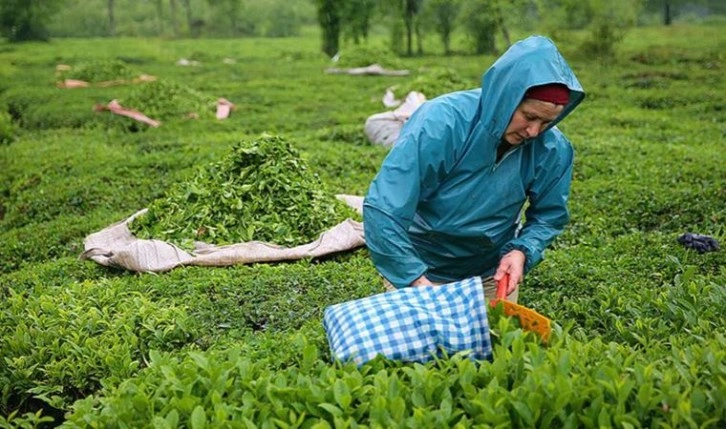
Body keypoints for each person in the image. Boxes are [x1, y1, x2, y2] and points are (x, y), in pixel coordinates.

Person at [362, 35, 585, 302]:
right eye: (529, 117)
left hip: (489, 273)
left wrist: (522, 251)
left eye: (546, 122)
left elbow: (548, 216)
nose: (534, 131)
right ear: (507, 99)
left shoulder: (553, 148)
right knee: (422, 342)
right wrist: (414, 280)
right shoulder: (441, 122)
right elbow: (384, 208)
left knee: (496, 340)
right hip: (418, 265)